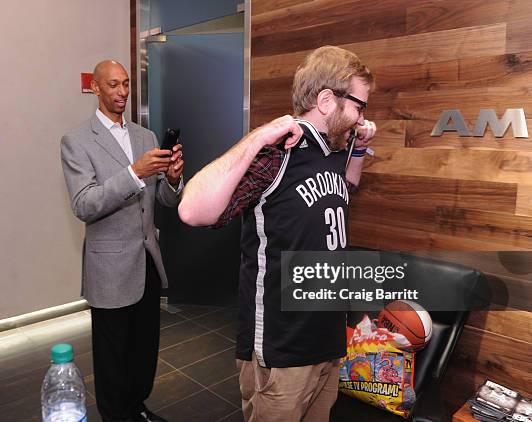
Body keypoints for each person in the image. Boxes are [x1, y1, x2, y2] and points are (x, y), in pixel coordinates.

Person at [178, 46, 376, 421]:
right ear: (326, 100)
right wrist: (256, 138)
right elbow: (192, 211)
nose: (361, 118)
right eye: (359, 107)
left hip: (328, 338)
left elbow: (345, 191)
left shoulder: (333, 149)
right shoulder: (276, 151)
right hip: (284, 347)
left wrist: (360, 148)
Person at [61, 60, 183, 422]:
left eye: (126, 84)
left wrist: (174, 178)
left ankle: (137, 407)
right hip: (109, 266)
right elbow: (85, 203)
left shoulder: (145, 137)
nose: (122, 93)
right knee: (113, 354)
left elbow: (164, 199)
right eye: (113, 85)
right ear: (96, 89)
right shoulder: (77, 141)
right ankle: (116, 415)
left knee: (145, 348)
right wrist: (134, 173)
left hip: (147, 259)